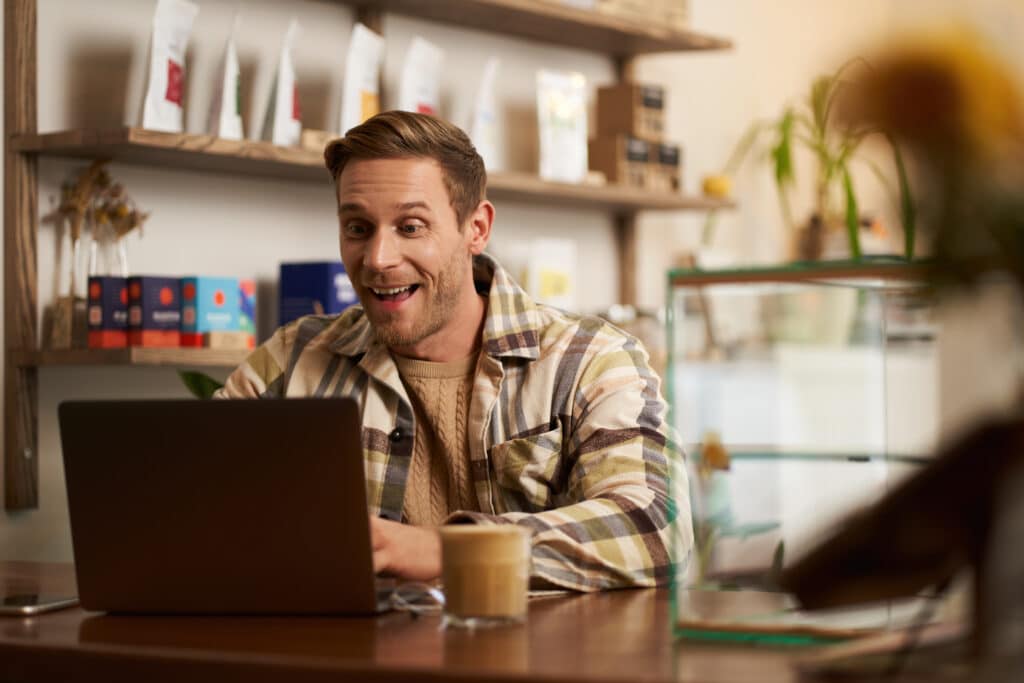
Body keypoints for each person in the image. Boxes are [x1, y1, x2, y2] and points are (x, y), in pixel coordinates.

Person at [217, 111, 691, 591]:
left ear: (477, 228)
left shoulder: (590, 361)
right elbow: (189, 507)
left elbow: (656, 524)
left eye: (411, 227)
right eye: (358, 228)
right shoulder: (293, 359)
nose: (378, 259)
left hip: (531, 663)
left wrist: (449, 550)